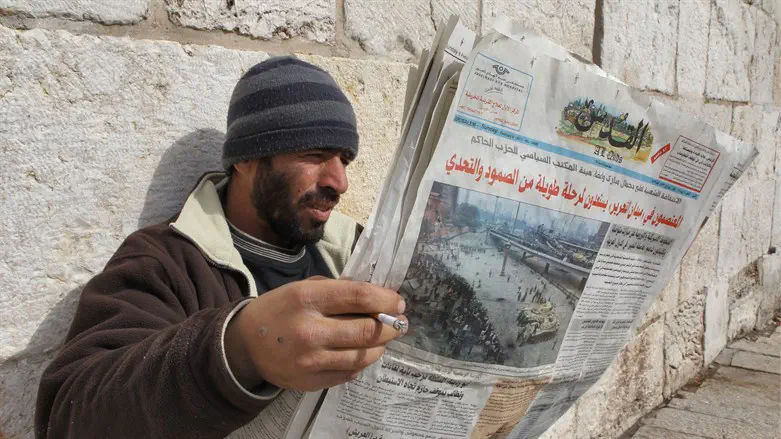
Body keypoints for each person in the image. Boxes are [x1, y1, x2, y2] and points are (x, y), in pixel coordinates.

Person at [35, 56, 407, 438]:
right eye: (313, 154)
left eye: (344, 159)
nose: (339, 181)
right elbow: (68, 414)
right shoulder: (164, 263)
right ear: (246, 158)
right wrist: (239, 350)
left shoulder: (359, 256)